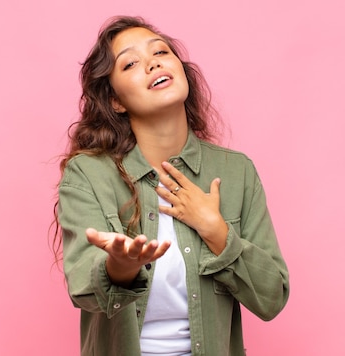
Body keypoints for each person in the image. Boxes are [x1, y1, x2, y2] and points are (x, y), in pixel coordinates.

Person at [53, 15, 289, 356]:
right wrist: (119, 267)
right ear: (116, 100)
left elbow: (271, 298)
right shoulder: (89, 174)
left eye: (160, 51)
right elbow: (82, 286)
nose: (153, 63)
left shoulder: (235, 171)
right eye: (131, 63)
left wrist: (217, 231)